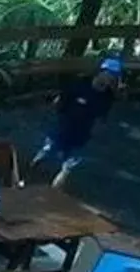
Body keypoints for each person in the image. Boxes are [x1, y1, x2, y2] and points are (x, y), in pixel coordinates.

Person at [31, 56, 124, 187]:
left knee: (68, 166)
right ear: (100, 71)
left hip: (82, 134)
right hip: (64, 126)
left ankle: (54, 190)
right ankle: (30, 172)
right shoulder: (80, 84)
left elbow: (102, 118)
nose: (109, 78)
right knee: (47, 151)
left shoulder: (107, 97)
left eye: (113, 76)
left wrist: (97, 131)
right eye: (108, 74)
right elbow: (61, 100)